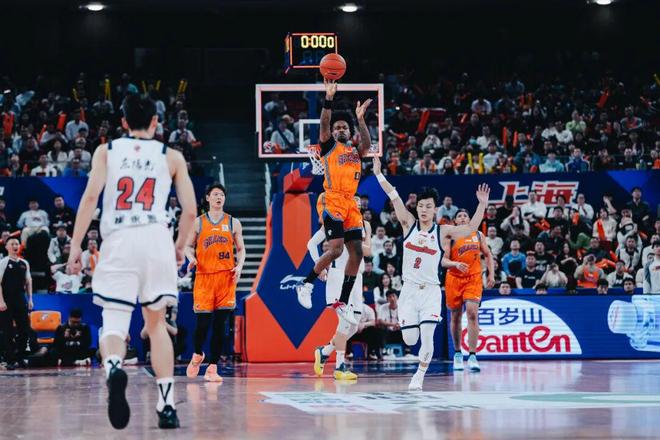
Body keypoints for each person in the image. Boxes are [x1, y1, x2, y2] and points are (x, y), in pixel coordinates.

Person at [67, 94, 197, 430]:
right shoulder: (172, 156)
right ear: (156, 122)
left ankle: (114, 367)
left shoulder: (106, 151)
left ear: (123, 122)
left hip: (119, 239)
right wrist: (179, 246)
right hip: (156, 239)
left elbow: (90, 198)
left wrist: (76, 245)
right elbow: (190, 211)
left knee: (113, 321)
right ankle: (166, 406)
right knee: (156, 326)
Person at [373, 155, 490, 390]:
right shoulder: (408, 223)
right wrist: (378, 173)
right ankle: (415, 349)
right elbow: (393, 195)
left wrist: (482, 205)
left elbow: (470, 228)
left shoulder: (443, 231)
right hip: (408, 291)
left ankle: (419, 375)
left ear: (435, 209)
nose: (424, 210)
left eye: (428, 206)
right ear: (416, 208)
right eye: (421, 206)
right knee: (410, 338)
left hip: (431, 292)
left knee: (427, 336)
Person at [296, 78, 373, 326]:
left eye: (344, 128)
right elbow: (324, 125)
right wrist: (328, 99)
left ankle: (342, 302)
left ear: (350, 132)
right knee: (337, 249)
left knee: (357, 253)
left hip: (350, 203)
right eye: (337, 127)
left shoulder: (355, 152)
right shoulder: (329, 147)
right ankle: (306, 284)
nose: (340, 130)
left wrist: (360, 119)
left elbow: (367, 144)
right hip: (332, 200)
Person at [306, 197, 371, 380]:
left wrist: (359, 240)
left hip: (357, 277)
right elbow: (311, 244)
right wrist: (320, 266)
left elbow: (368, 251)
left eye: (358, 205)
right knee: (344, 323)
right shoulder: (335, 221)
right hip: (338, 275)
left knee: (354, 325)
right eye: (353, 203)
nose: (356, 206)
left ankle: (324, 351)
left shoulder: (365, 224)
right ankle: (340, 367)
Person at [185, 184, 245, 383]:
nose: (219, 197)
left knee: (220, 327)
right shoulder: (199, 222)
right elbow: (187, 246)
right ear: (208, 198)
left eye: (222, 195)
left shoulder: (233, 222)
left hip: (226, 278)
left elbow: (241, 249)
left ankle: (212, 367)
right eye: (215, 194)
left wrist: (240, 266)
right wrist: (191, 258)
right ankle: (197, 354)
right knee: (202, 325)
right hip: (204, 277)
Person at [442, 209, 494, 372]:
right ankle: (458, 353)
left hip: (473, 278)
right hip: (454, 279)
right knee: (455, 316)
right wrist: (455, 264)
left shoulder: (478, 234)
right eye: (460, 216)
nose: (463, 218)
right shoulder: (450, 237)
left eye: (466, 215)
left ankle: (472, 356)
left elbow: (488, 255)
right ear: (455, 221)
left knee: (472, 313)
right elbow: (443, 261)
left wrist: (491, 274)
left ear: (470, 219)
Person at [0, 237, 33, 369]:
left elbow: (28, 281)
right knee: (7, 331)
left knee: (25, 330)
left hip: (20, 299)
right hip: (6, 301)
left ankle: (21, 357)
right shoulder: (3, 262)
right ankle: (10, 360)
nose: (15, 246)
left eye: (17, 244)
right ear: (7, 247)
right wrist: (1, 301)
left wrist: (30, 299)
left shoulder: (24, 263)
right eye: (12, 244)